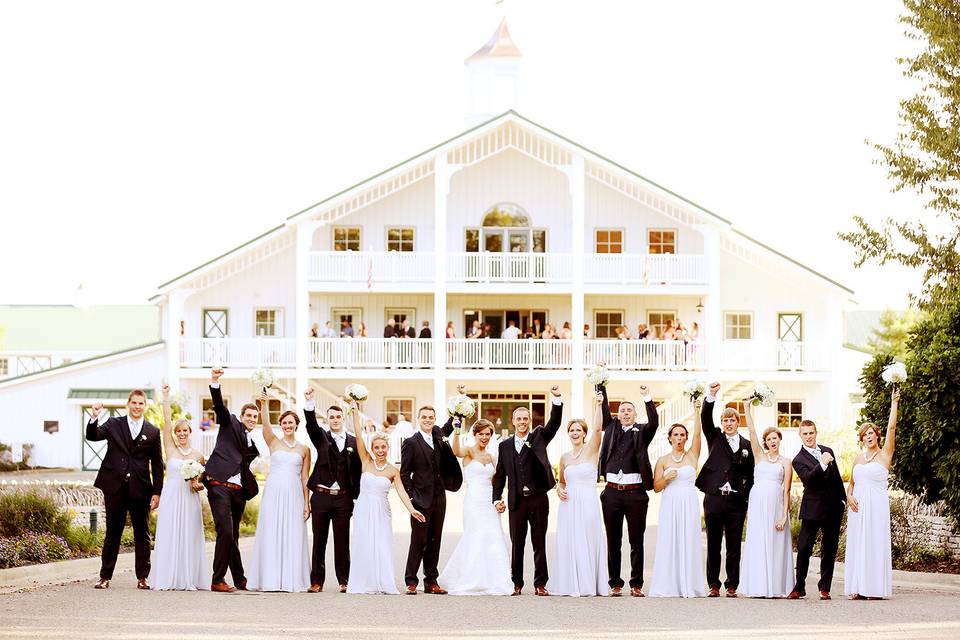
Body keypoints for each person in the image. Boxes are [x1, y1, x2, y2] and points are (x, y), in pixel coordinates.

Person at [85, 390, 163, 590]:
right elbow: (93, 436)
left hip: (141, 488)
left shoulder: (153, 431)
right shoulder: (113, 424)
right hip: (114, 486)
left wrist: (157, 492)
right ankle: (105, 577)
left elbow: (157, 464)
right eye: (134, 403)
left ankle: (143, 577)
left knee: (142, 534)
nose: (137, 407)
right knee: (113, 532)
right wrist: (94, 416)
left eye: (141, 403)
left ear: (145, 406)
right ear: (128, 404)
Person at [346, 398, 426, 594]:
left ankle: (382, 581)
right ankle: (362, 582)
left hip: (382, 510)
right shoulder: (365, 461)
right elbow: (358, 435)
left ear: (388, 448)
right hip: (364, 508)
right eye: (377, 448)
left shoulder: (392, 470)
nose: (380, 451)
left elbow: (401, 492)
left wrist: (412, 509)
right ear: (372, 449)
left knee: (381, 543)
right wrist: (355, 412)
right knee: (363, 542)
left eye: (383, 447)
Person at [493, 386, 564, 596]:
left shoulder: (540, 437)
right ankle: (516, 583)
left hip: (538, 499)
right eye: (519, 419)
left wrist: (557, 398)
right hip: (516, 501)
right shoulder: (504, 446)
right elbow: (500, 475)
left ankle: (540, 583)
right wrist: (496, 498)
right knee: (517, 544)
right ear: (513, 421)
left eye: (526, 419)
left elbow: (555, 423)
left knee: (539, 542)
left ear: (530, 421)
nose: (523, 422)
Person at [439, 410, 513, 596]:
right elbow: (456, 451)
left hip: (489, 502)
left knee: (493, 537)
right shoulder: (469, 452)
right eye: (481, 434)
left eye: (488, 434)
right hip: (473, 501)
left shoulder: (492, 458)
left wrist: (499, 501)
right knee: (475, 535)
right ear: (475, 434)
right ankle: (470, 578)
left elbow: (499, 482)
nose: (485, 437)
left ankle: (495, 580)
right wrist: (457, 431)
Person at [597, 383, 658, 597]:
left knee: (636, 540)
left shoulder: (642, 431)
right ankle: (615, 583)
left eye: (629, 410)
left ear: (635, 414)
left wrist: (646, 396)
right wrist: (601, 383)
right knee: (613, 539)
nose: (625, 413)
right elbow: (603, 409)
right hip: (612, 492)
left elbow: (655, 422)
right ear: (618, 414)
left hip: (636, 494)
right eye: (622, 410)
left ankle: (636, 584)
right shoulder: (611, 427)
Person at [247, 391, 311, 592]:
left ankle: (291, 579)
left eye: (291, 423)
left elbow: (305, 477)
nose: (287, 426)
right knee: (272, 530)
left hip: (293, 494)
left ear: (296, 425)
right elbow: (265, 424)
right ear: (281, 425)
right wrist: (263, 404)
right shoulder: (273, 441)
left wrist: (306, 503)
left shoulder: (304, 449)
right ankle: (270, 578)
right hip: (274, 492)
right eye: (284, 423)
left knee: (292, 532)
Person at [696, 383, 754, 597]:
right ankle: (713, 584)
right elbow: (705, 418)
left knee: (734, 545)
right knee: (713, 543)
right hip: (714, 498)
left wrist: (746, 498)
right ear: (721, 423)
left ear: (738, 423)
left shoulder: (747, 445)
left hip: (736, 502)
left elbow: (751, 475)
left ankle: (732, 584)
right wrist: (711, 395)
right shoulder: (715, 437)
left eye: (732, 420)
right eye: (725, 420)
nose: (728, 423)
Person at [205, 368, 260, 592]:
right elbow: (219, 406)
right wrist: (215, 382)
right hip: (219, 484)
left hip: (238, 491)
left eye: (255, 417)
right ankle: (217, 579)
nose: (252, 419)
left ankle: (239, 578)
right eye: (249, 416)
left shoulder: (251, 443)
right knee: (225, 532)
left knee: (234, 535)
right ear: (241, 415)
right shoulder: (230, 423)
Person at [149, 385, 209, 591]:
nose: (182, 434)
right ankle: (168, 576)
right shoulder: (171, 450)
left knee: (189, 536)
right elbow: (166, 423)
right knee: (169, 534)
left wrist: (197, 484)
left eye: (185, 431)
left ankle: (187, 577)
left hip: (189, 499)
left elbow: (200, 484)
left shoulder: (198, 456)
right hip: (172, 497)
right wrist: (166, 397)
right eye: (179, 431)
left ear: (190, 432)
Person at [400, 405, 463, 594]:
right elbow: (404, 473)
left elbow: (451, 424)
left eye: (431, 417)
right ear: (418, 419)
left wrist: (461, 401)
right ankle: (411, 581)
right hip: (420, 500)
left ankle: (431, 582)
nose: (428, 420)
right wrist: (412, 497)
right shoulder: (411, 442)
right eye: (424, 417)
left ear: (434, 419)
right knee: (418, 541)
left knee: (435, 540)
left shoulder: (438, 437)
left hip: (439, 499)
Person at [303, 390, 361, 593]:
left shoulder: (354, 442)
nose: (335, 420)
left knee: (342, 541)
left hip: (343, 498)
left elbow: (359, 470)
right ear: (327, 419)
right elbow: (311, 426)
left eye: (338, 416)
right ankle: (316, 581)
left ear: (343, 418)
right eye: (331, 417)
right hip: (321, 496)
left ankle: (344, 580)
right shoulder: (322, 438)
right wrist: (310, 403)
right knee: (319, 540)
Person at [845, 387, 900, 600]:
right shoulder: (858, 459)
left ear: (877, 435)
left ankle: (874, 588)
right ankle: (858, 587)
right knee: (858, 544)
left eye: (871, 433)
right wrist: (849, 497)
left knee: (874, 542)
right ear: (861, 439)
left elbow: (892, 428)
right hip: (857, 508)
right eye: (864, 435)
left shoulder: (885, 454)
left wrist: (894, 403)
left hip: (876, 506)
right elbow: (851, 484)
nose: (868, 437)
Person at [648, 400, 705, 598]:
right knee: (670, 540)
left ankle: (689, 583)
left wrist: (697, 411)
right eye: (676, 435)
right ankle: (669, 583)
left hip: (689, 502)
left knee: (689, 538)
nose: (679, 438)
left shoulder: (692, 456)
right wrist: (666, 478)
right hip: (670, 502)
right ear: (670, 438)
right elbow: (656, 487)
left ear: (686, 438)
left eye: (682, 435)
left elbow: (699, 434)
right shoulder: (663, 460)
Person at [551, 402, 607, 597]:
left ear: (584, 433)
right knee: (571, 540)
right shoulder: (565, 457)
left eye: (578, 430)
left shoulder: (592, 449)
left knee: (587, 538)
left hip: (588, 502)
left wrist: (599, 405)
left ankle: (588, 583)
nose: (575, 433)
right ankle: (570, 582)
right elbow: (562, 482)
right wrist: (559, 490)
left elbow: (598, 428)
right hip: (569, 505)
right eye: (572, 430)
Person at [739, 402, 793, 598]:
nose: (772, 441)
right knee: (758, 542)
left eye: (775, 438)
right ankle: (758, 585)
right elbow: (752, 432)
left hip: (776, 505)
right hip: (758, 504)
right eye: (769, 439)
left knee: (775, 543)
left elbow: (786, 490)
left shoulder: (786, 462)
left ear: (780, 440)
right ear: (765, 442)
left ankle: (775, 586)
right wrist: (746, 410)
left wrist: (784, 516)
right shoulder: (759, 456)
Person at [789, 418, 846, 600]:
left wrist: (843, 501)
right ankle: (799, 587)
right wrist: (821, 464)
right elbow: (809, 480)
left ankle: (825, 588)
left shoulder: (828, 451)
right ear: (800, 435)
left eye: (811, 433)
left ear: (816, 433)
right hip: (812, 508)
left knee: (829, 548)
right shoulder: (798, 460)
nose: (808, 437)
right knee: (804, 547)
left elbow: (837, 477)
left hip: (832, 508)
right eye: (805, 434)